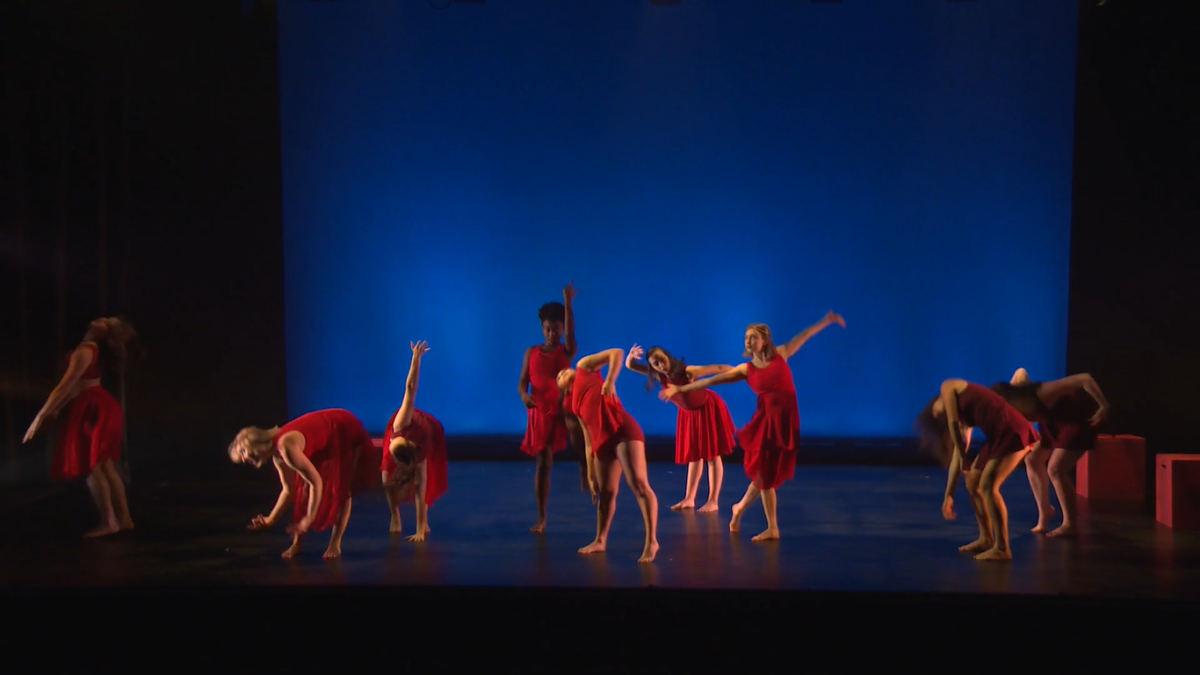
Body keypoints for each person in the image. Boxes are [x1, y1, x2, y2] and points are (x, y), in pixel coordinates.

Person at [660, 311, 845, 541]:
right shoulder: (746, 370)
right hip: (766, 424)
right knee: (766, 474)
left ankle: (741, 509)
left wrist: (826, 321)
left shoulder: (781, 354)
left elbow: (804, 335)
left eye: (753, 337)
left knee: (765, 476)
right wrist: (680, 389)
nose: (748, 341)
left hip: (786, 422)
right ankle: (770, 526)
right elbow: (711, 380)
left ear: (765, 340)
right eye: (746, 337)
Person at [23, 317, 138, 538]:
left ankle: (109, 521)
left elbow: (65, 386)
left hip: (94, 408)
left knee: (92, 466)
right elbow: (75, 387)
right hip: (100, 405)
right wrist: (56, 409)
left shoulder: (85, 351)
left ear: (105, 333)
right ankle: (124, 519)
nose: (102, 319)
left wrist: (41, 415)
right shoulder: (89, 350)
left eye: (107, 322)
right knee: (106, 466)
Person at [229, 408, 381, 559]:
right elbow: (289, 490)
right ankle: (297, 543)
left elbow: (316, 483)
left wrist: (308, 518)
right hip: (322, 434)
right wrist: (271, 519)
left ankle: (335, 543)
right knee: (302, 489)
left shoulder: (285, 447)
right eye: (241, 459)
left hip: (339, 426)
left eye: (243, 452)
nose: (244, 459)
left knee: (341, 488)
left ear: (256, 443)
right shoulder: (278, 457)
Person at [916, 379, 1039, 561]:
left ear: (936, 401)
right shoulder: (961, 422)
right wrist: (949, 495)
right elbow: (957, 457)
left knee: (989, 486)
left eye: (935, 412)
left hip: (1011, 429)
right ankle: (986, 538)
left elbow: (953, 426)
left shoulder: (948, 386)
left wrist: (961, 452)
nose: (938, 415)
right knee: (972, 483)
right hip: (997, 437)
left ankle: (1002, 548)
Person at [557, 347, 659, 563]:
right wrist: (590, 473)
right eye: (559, 376)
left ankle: (652, 542)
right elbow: (588, 439)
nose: (562, 372)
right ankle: (600, 540)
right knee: (606, 493)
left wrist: (610, 380)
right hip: (602, 441)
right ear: (563, 389)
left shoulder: (584, 367)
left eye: (563, 370)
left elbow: (617, 353)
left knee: (639, 484)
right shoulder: (574, 405)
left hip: (622, 429)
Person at [991, 368, 1110, 538]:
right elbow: (1021, 372)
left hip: (1076, 421)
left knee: (1056, 469)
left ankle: (1070, 525)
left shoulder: (1043, 392)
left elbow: (1085, 378)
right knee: (1032, 460)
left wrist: (1103, 406)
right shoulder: (1015, 398)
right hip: (1053, 423)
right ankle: (1045, 511)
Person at [625, 343, 736, 513]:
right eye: (656, 363)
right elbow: (631, 366)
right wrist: (631, 356)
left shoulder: (688, 371)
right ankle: (689, 498)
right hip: (689, 415)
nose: (661, 365)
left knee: (712, 456)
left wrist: (743, 372)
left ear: (668, 357)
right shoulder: (660, 376)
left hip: (707, 409)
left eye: (662, 360)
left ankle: (713, 500)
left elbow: (719, 368)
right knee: (694, 456)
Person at [517, 283, 578, 532]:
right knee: (543, 465)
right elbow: (523, 380)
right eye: (548, 329)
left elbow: (571, 334)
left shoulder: (566, 350)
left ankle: (590, 473)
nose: (552, 334)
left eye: (556, 329)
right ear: (542, 328)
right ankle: (541, 517)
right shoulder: (531, 352)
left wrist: (568, 303)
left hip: (563, 410)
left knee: (582, 443)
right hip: (540, 413)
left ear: (563, 329)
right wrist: (524, 395)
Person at [382, 341, 448, 542]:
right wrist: (415, 359)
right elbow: (409, 391)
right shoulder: (398, 424)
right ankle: (395, 515)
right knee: (386, 477)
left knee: (421, 481)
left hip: (425, 432)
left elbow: (421, 489)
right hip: (406, 434)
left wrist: (420, 530)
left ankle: (423, 520)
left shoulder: (418, 451)